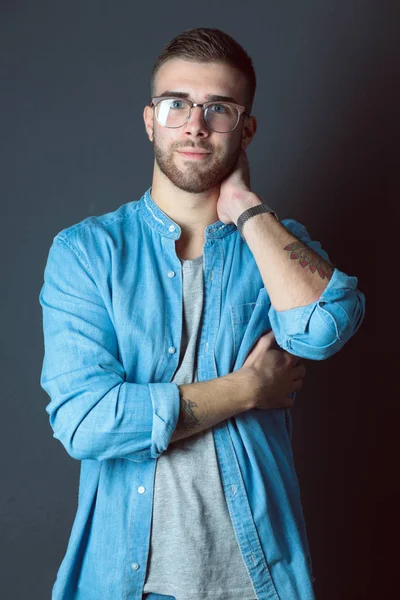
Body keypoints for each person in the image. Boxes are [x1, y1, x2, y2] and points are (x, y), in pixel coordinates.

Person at [39, 27, 365, 600]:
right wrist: (246, 389)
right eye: (176, 105)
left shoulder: (274, 246)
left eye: (219, 108)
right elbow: (86, 421)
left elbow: (327, 328)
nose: (195, 124)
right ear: (149, 120)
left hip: (256, 580)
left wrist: (246, 209)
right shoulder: (86, 253)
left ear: (247, 129)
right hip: (129, 585)